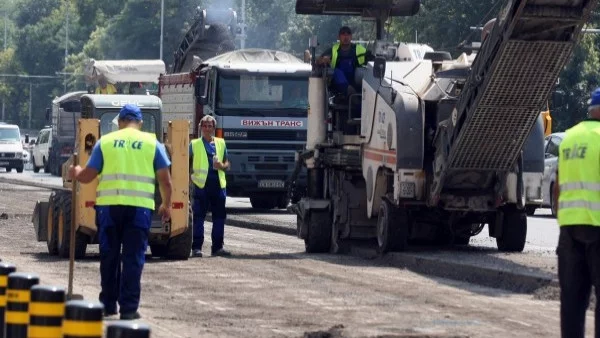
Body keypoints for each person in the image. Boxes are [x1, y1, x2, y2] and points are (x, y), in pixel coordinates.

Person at [68, 104, 172, 320]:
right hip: (140, 210)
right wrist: (167, 205)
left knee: (109, 256)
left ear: (121, 121)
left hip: (109, 209)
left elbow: (88, 176)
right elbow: (166, 181)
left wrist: (76, 172)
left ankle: (107, 304)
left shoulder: (105, 142)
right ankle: (129, 309)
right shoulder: (153, 144)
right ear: (140, 122)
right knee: (133, 257)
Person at [556, 87, 600, 338]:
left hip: (570, 231)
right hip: (597, 228)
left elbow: (558, 186)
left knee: (572, 303)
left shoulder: (569, 138)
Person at [190, 115, 231, 257]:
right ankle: (196, 247)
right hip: (201, 186)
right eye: (205, 126)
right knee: (199, 217)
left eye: (210, 126)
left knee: (219, 217)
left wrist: (221, 165)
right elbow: (186, 163)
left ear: (214, 128)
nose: (207, 129)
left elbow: (227, 164)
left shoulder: (221, 143)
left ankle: (217, 247)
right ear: (201, 127)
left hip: (218, 186)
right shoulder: (194, 144)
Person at [317, 26, 370, 96]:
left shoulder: (359, 49)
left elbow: (374, 60)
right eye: (343, 34)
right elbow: (318, 61)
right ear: (339, 37)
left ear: (351, 37)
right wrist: (323, 60)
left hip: (356, 85)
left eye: (348, 34)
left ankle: (352, 94)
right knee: (336, 71)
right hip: (337, 86)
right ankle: (349, 90)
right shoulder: (333, 50)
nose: (346, 36)